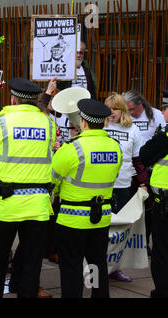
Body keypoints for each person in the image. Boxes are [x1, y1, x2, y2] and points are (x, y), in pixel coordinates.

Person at [0, 77, 56, 298]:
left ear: (13, 99)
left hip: (6, 205)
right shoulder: (48, 122)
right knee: (32, 264)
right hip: (38, 205)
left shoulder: (2, 122)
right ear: (34, 100)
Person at [52, 99, 122, 298]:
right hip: (102, 217)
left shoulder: (72, 148)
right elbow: (114, 176)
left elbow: (53, 180)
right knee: (97, 262)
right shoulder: (115, 146)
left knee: (71, 266)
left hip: (71, 219)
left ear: (83, 122)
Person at [103, 92, 150, 282]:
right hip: (101, 186)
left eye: (115, 108)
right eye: (108, 108)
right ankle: (97, 267)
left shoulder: (133, 130)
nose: (111, 111)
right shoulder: (101, 126)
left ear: (123, 109)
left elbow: (138, 161)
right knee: (101, 230)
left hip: (123, 185)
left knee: (119, 232)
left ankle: (114, 268)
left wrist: (145, 183)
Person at [123, 89, 166, 255]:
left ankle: (146, 242)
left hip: (151, 167)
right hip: (132, 166)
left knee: (149, 209)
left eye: (132, 109)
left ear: (140, 104)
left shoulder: (156, 115)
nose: (130, 113)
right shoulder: (126, 117)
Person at [139, 90, 168, 298]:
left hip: (165, 205)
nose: (163, 112)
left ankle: (163, 292)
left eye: (166, 108)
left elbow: (145, 155)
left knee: (162, 252)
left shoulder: (164, 137)